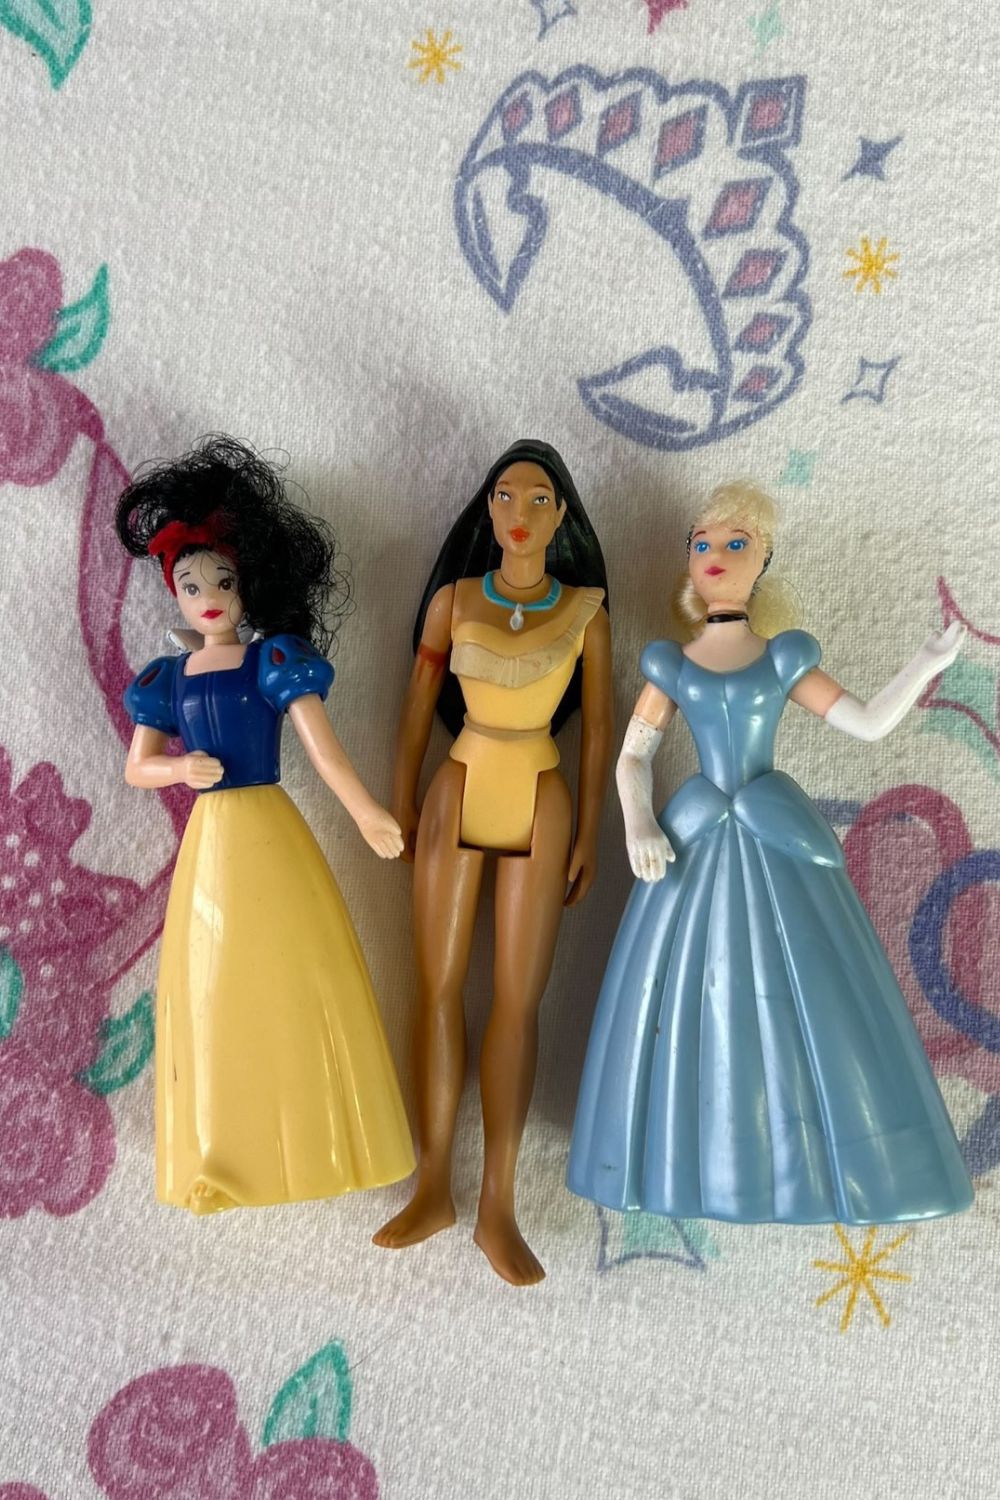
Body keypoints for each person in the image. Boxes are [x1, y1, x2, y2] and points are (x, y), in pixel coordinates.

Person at [568, 479, 974, 1225]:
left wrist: (923, 663)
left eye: (737, 544)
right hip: (690, 839)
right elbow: (632, 759)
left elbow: (865, 723)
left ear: (764, 563)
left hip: (774, 828)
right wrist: (638, 824)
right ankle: (677, 1163)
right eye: (703, 544)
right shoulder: (672, 665)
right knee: (679, 994)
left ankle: (819, 1164)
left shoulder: (782, 660)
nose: (717, 556)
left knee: (811, 991)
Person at [117, 435, 414, 1214]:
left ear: (252, 580)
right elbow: (137, 767)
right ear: (174, 593)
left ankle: (321, 1143)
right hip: (211, 843)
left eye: (224, 579)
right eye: (191, 584)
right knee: (212, 991)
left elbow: (325, 753)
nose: (209, 596)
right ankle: (223, 1151)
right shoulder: (165, 678)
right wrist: (179, 769)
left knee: (297, 981)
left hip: (269, 833)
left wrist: (367, 813)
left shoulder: (272, 661)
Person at [373, 440, 613, 1283]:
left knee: (518, 999)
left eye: (538, 498)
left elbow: (600, 730)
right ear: (487, 509)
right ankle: (433, 1182)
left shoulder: (586, 613)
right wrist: (401, 798)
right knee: (436, 986)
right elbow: (417, 704)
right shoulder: (454, 600)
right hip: (458, 783)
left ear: (561, 515)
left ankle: (497, 1206)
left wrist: (590, 834)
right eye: (505, 496)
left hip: (542, 793)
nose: (518, 512)